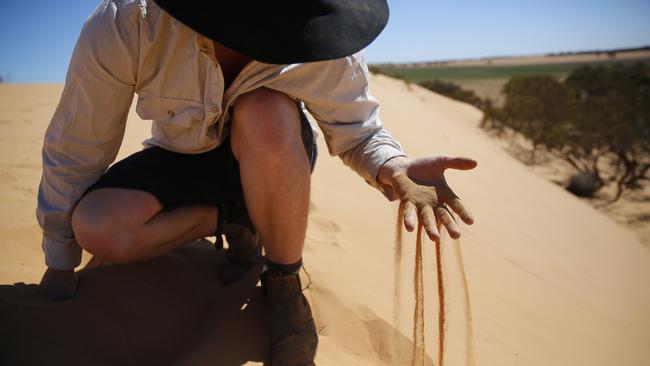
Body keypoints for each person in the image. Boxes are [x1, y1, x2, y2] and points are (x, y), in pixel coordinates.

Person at [36, 0, 476, 364]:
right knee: (97, 225)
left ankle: (284, 285)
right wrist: (59, 260)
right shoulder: (129, 24)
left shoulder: (317, 29)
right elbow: (79, 142)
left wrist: (392, 165)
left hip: (274, 153)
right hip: (180, 157)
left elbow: (357, 130)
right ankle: (232, 218)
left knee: (264, 108)